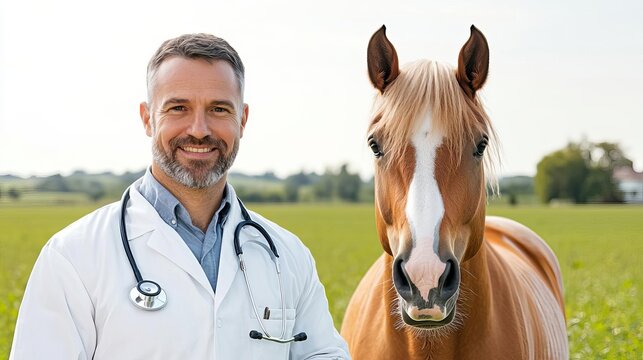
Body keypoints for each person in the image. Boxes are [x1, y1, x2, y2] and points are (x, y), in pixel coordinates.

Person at [10, 33, 350, 359]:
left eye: (219, 109)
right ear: (147, 118)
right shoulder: (73, 257)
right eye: (178, 108)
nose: (199, 129)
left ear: (242, 120)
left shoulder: (287, 257)